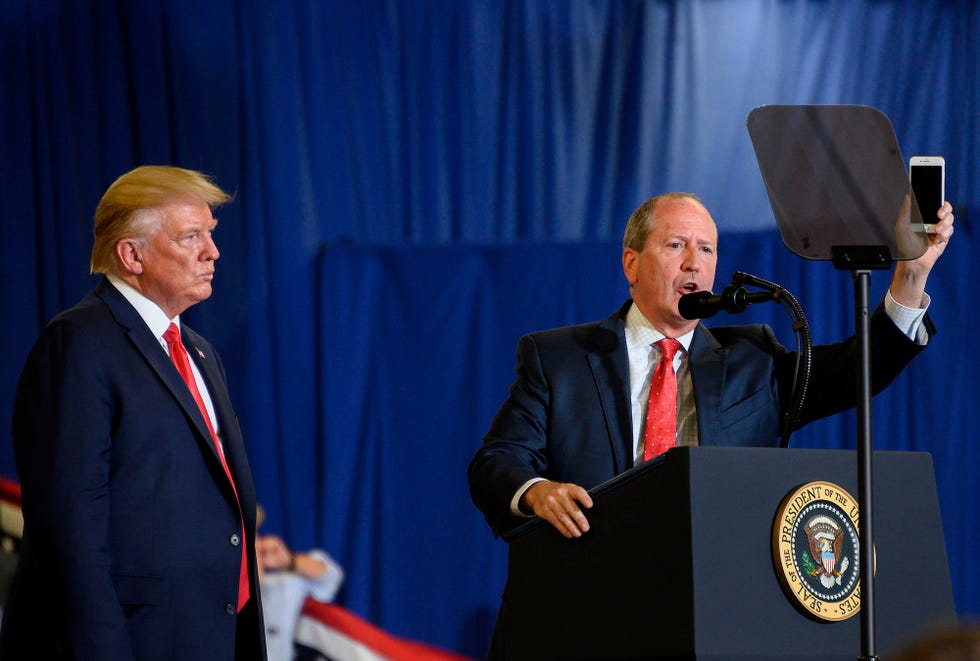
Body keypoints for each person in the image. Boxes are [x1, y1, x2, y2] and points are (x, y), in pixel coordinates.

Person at [468, 192, 955, 539]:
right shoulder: (560, 358)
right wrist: (537, 492)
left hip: (716, 592)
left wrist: (910, 277)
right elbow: (496, 462)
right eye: (676, 245)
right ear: (631, 264)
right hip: (591, 588)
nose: (694, 264)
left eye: (706, 249)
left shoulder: (753, 360)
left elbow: (854, 371)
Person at [0, 166, 266, 660]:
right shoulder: (81, 342)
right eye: (191, 237)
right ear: (131, 253)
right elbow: (71, 528)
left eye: (210, 233)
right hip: (135, 640)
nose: (213, 252)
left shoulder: (198, 350)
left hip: (211, 634)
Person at [255, 512, 344, 661]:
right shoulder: (213, 591)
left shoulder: (280, 584)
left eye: (254, 539)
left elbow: (331, 577)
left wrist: (289, 561)